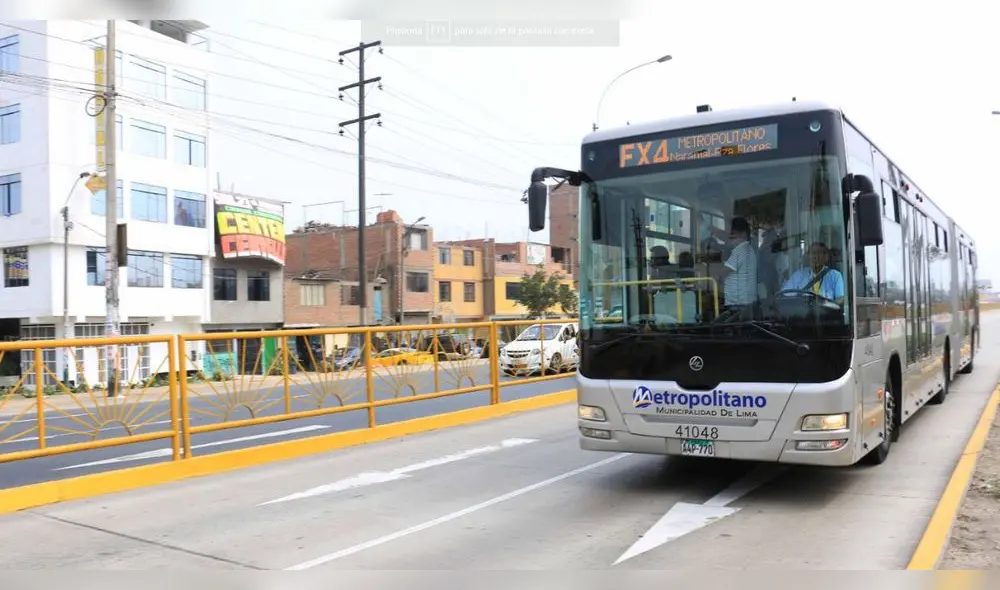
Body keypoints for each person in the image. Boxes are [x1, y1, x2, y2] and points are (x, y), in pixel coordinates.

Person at [781, 241, 845, 304]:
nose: (816, 257)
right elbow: (784, 296)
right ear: (808, 257)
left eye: (819, 253)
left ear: (825, 257)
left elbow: (840, 299)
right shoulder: (798, 275)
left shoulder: (835, 276)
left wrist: (827, 305)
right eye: (813, 253)